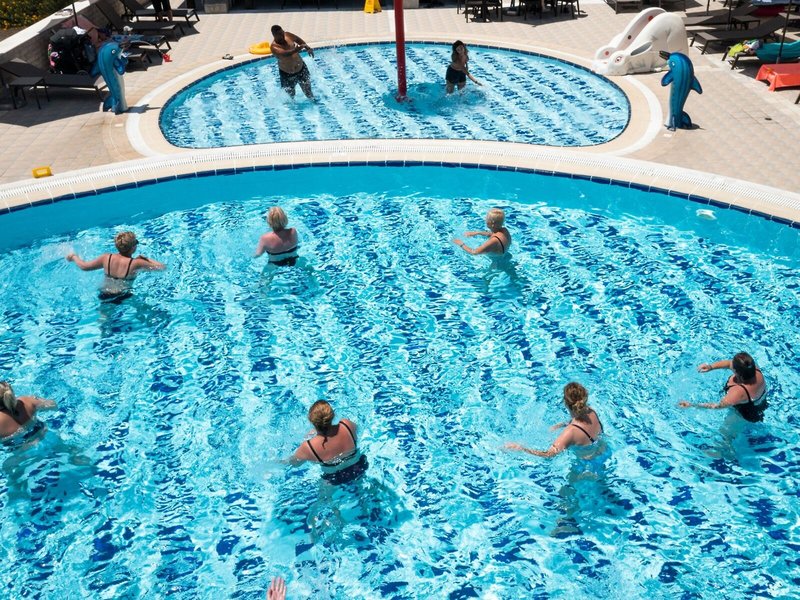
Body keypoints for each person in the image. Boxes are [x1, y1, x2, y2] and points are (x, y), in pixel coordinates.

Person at [505, 382, 604, 458]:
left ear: (565, 403)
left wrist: (522, 449)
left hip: (585, 466)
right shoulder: (591, 412)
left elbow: (549, 455)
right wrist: (562, 424)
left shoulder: (570, 432)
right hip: (602, 451)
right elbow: (581, 424)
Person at [66, 231, 166, 303]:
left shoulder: (106, 258)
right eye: (136, 242)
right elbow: (162, 267)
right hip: (124, 294)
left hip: (105, 294)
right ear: (133, 248)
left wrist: (74, 257)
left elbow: (84, 267)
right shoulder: (137, 263)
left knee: (103, 321)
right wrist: (146, 259)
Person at [291, 400, 368, 484]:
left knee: (323, 491)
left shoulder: (309, 447)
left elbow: (295, 463)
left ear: (311, 421)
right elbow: (358, 431)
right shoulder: (347, 425)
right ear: (332, 415)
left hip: (334, 478)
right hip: (359, 466)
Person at [679, 352, 767, 422]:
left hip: (745, 413)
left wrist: (692, 405)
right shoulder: (751, 369)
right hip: (757, 400)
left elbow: (717, 406)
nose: (730, 364)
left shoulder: (737, 392)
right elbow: (729, 363)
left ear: (736, 371)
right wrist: (710, 367)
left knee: (724, 434)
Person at [270, 25, 315, 100]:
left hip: (301, 69)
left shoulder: (288, 35)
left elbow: (298, 40)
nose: (283, 36)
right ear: (274, 35)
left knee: (308, 92)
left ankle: (314, 103)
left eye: (283, 33)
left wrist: (307, 47)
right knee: (291, 97)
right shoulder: (274, 47)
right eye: (280, 35)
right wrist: (296, 50)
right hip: (287, 74)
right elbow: (285, 54)